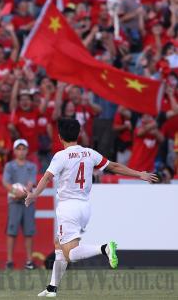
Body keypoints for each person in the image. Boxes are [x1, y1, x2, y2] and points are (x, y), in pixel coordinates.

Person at [25, 118, 158, 298]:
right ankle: (52, 288)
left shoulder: (60, 156)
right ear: (79, 134)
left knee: (70, 253)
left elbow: (47, 177)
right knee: (59, 245)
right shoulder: (89, 153)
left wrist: (34, 195)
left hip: (68, 207)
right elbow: (114, 166)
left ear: (59, 137)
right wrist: (139, 174)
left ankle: (104, 248)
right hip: (84, 207)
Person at [2, 139, 37, 270]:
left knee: (29, 232)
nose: (21, 151)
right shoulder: (10, 166)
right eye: (19, 149)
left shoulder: (32, 166)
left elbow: (31, 183)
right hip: (14, 202)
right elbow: (5, 182)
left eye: (23, 149)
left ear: (27, 151)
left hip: (28, 201)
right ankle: (9, 261)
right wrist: (13, 191)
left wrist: (22, 193)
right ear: (14, 151)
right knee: (12, 231)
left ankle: (29, 261)